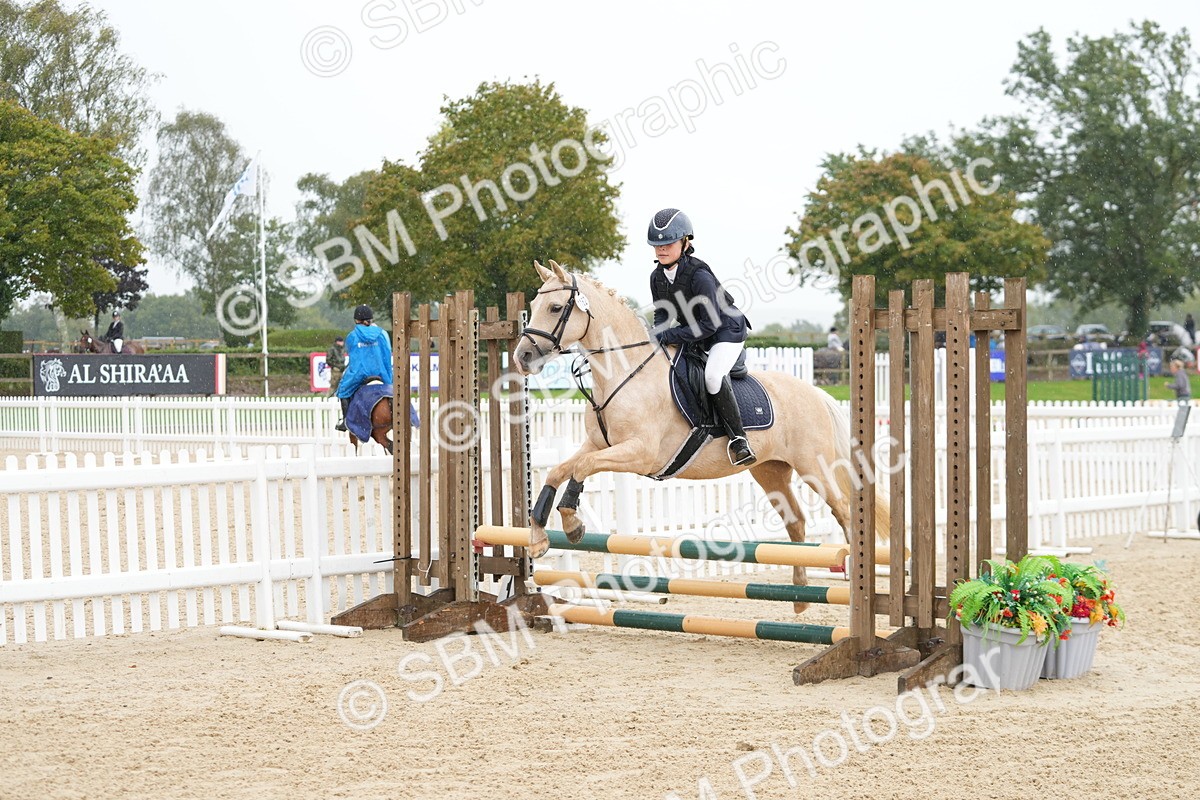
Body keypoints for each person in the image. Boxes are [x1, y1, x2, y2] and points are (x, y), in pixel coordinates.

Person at [648, 207, 755, 466]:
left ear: (685, 242)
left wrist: (671, 334)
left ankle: (739, 440)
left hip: (725, 330)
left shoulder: (699, 275)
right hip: (697, 333)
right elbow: (663, 317)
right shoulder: (657, 277)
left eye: (668, 243)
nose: (661, 249)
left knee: (712, 375)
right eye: (656, 245)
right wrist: (653, 336)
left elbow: (709, 325)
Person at [335, 305, 394, 432]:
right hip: (381, 372)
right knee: (396, 389)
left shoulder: (352, 336)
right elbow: (387, 352)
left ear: (356, 320)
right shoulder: (382, 334)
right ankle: (402, 415)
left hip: (360, 374)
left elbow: (354, 358)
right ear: (371, 319)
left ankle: (346, 421)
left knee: (343, 391)